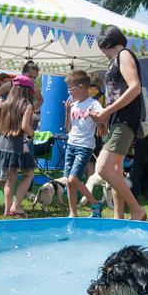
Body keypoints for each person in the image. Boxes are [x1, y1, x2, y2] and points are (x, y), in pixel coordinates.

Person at [89, 25, 147, 221]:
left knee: (103, 168)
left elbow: (135, 88)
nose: (103, 53)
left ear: (106, 43)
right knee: (115, 171)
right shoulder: (117, 59)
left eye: (102, 48)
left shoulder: (124, 55)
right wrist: (104, 119)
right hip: (118, 120)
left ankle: (137, 210)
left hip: (125, 120)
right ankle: (118, 217)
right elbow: (117, 96)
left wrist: (106, 112)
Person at [62, 70, 105, 218]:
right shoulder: (73, 105)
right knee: (68, 182)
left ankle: (95, 203)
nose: (69, 92)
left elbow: (102, 127)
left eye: (70, 88)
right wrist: (67, 112)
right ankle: (73, 213)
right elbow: (68, 129)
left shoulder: (94, 104)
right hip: (71, 144)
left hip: (85, 146)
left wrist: (97, 120)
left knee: (73, 179)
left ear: (81, 87)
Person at [0, 75, 36, 216]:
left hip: (4, 146)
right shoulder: (27, 105)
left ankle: (7, 210)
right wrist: (32, 134)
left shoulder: (4, 104)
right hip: (19, 147)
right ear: (27, 90)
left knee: (10, 179)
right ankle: (16, 206)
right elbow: (25, 126)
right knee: (28, 175)